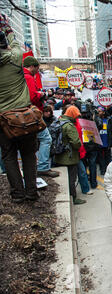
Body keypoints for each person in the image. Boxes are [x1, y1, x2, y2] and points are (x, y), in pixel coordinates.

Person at [0, 18, 39, 202]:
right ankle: (31, 191)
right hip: (24, 115)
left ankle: (17, 193)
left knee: (9, 156)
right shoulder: (15, 59)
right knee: (29, 155)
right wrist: (7, 28)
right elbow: (15, 42)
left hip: (3, 119)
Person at [23, 56, 60, 178]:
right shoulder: (28, 77)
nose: (37, 72)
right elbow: (33, 97)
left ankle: (32, 168)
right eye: (37, 68)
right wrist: (41, 94)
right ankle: (43, 167)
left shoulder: (19, 76)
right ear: (32, 66)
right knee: (46, 139)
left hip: (24, 115)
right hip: (32, 115)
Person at [55, 106, 86, 205]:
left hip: (59, 155)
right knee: (72, 179)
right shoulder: (69, 125)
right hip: (69, 157)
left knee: (65, 179)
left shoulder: (59, 121)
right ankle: (74, 198)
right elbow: (76, 142)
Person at [96, 106, 112, 175]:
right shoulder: (95, 119)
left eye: (100, 111)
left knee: (107, 156)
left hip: (107, 141)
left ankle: (108, 170)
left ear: (104, 112)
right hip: (99, 141)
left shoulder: (109, 119)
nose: (98, 112)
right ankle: (102, 169)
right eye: (97, 111)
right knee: (100, 157)